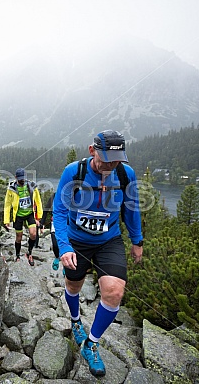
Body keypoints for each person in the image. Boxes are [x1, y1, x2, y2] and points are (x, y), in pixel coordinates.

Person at [52, 130, 143, 377]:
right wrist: (64, 246)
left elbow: (131, 210)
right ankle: (75, 320)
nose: (110, 166)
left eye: (116, 161)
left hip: (108, 241)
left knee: (114, 292)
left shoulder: (125, 174)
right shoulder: (74, 172)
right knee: (73, 286)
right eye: (105, 160)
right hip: (76, 241)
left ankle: (91, 344)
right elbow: (59, 212)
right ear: (92, 151)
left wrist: (137, 240)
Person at [3, 168, 43, 266]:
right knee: (19, 237)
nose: (22, 180)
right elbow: (7, 204)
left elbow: (38, 201)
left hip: (30, 214)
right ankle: (17, 255)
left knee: (33, 234)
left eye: (23, 178)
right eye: (20, 178)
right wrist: (7, 220)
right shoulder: (11, 189)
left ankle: (29, 253)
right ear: (16, 177)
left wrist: (39, 216)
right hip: (18, 216)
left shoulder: (32, 186)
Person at [40, 191, 60, 270]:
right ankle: (57, 257)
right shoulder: (55, 195)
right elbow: (46, 210)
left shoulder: (71, 196)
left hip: (67, 224)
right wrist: (42, 223)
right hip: (55, 223)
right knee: (55, 244)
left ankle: (66, 265)